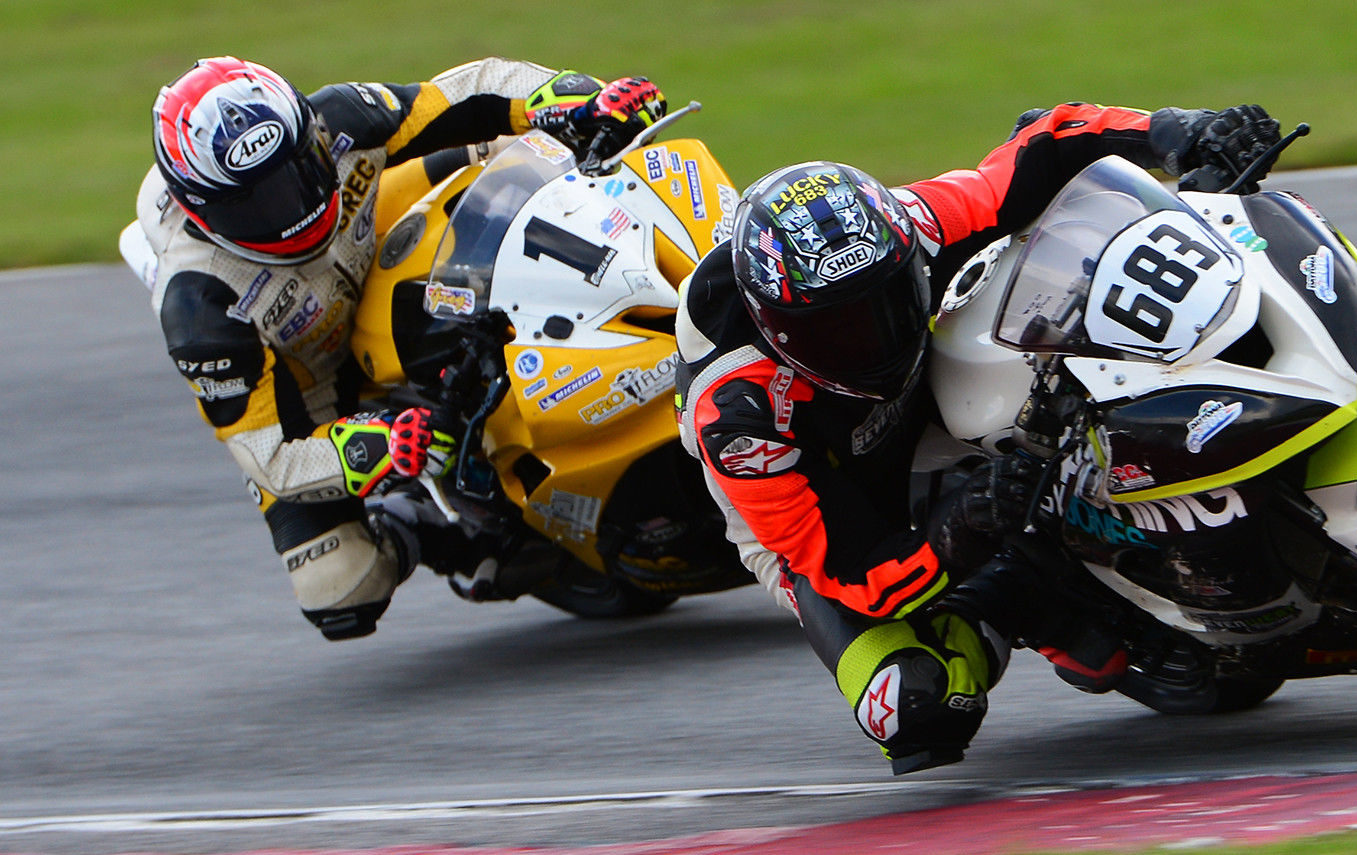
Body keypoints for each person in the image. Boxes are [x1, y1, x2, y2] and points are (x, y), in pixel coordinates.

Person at [672, 101, 1282, 773]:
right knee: (917, 706)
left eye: (886, 301)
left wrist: (1176, 129)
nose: (872, 336)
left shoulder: (911, 226)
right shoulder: (740, 417)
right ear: (777, 328)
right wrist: (966, 524)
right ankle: (1022, 595)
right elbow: (856, 574)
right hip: (824, 497)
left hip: (924, 404)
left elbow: (1043, 143)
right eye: (839, 330)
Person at [122, 56, 666, 640]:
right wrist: (372, 447)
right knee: (341, 588)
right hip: (315, 388)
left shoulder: (338, 118)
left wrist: (566, 97)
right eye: (258, 203)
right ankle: (432, 525)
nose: (292, 209)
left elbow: (462, 93)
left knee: (520, 144)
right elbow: (269, 455)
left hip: (371, 235)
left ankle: (658, 286)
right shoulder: (202, 307)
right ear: (203, 212)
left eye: (300, 171)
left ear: (308, 134)